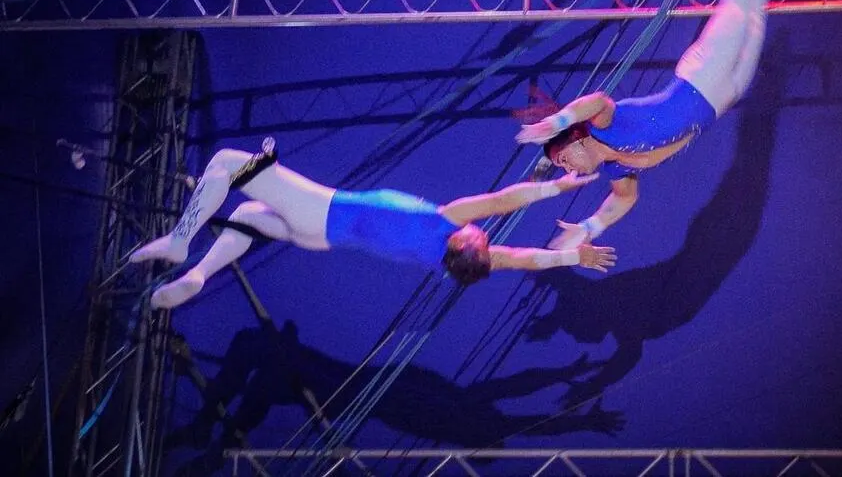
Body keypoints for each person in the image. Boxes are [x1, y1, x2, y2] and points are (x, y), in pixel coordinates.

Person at [515, 0, 792, 250]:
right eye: (564, 166)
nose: (570, 170)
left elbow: (597, 101)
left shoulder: (603, 126)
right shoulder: (616, 169)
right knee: (755, 16)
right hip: (718, 102)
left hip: (699, 78)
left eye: (565, 159)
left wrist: (555, 123)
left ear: (577, 138)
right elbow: (625, 199)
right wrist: (589, 228)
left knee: (737, 4)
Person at [129, 146, 617, 309]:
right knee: (244, 217)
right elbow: (526, 259)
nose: (484, 233)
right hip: (320, 239)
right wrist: (572, 255)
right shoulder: (443, 261)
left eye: (480, 234)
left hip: (322, 211)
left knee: (226, 163)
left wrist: (558, 187)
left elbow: (503, 200)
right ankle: (199, 275)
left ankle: (180, 242)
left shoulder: (442, 222)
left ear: (463, 239)